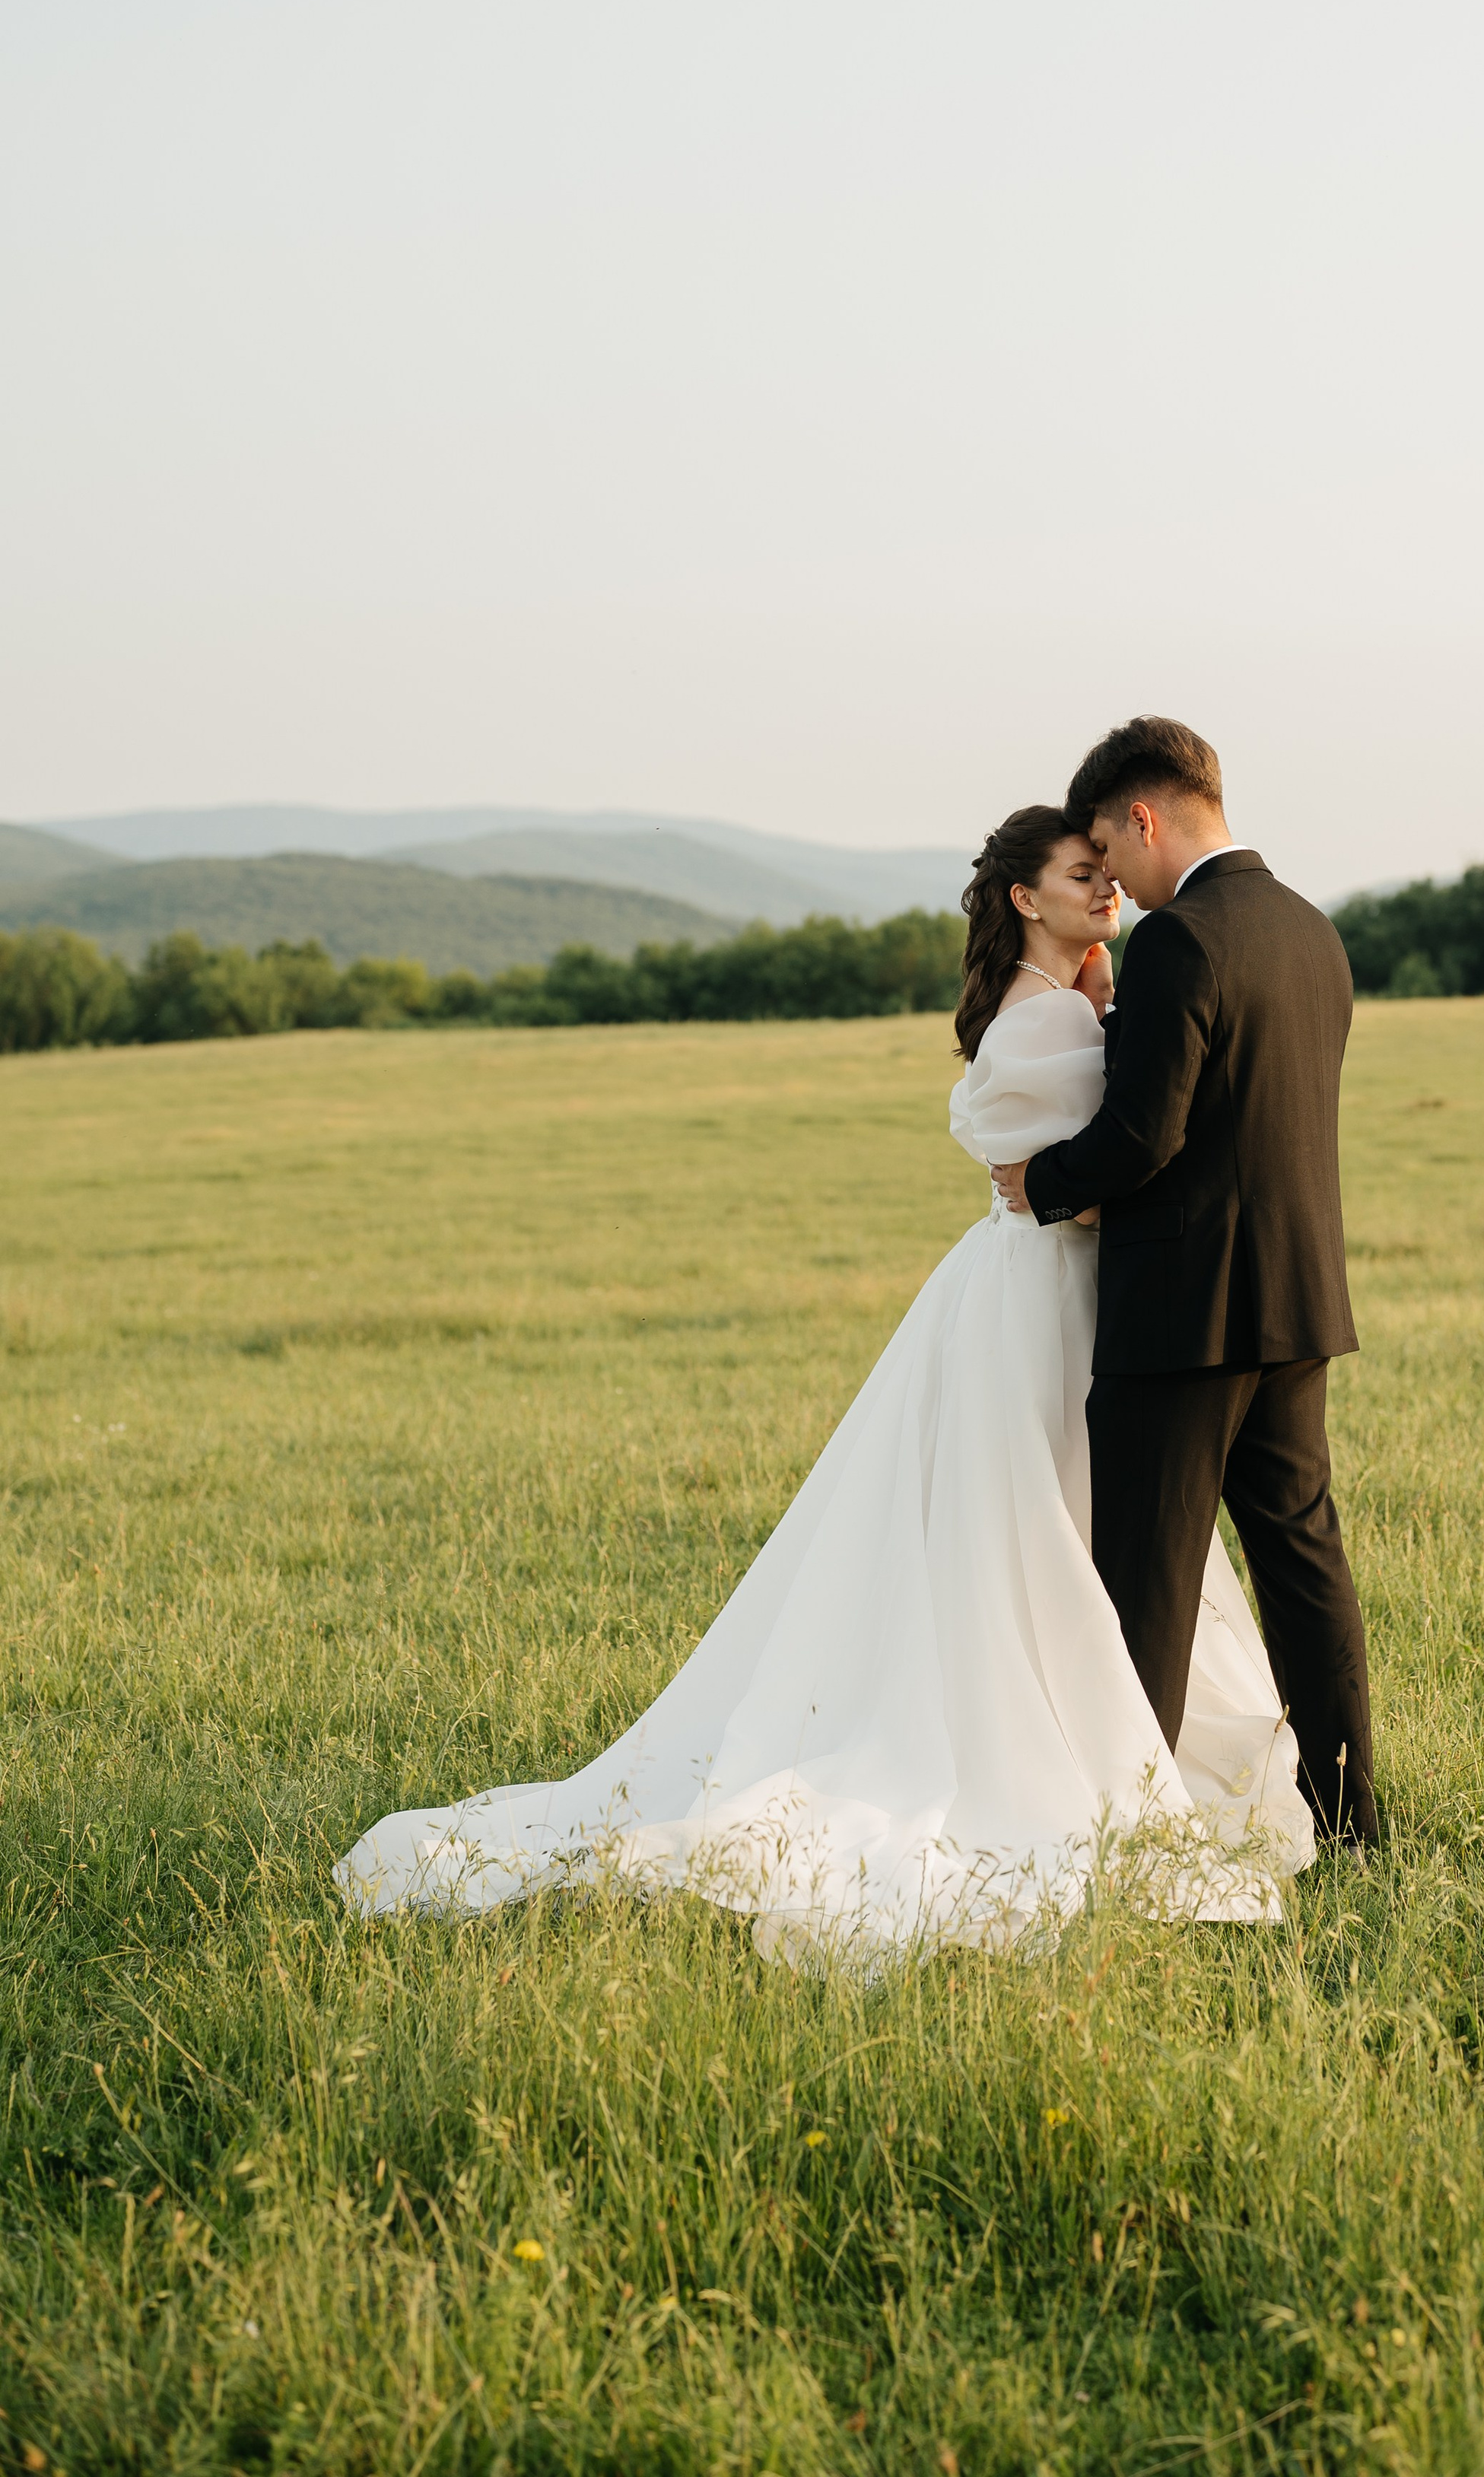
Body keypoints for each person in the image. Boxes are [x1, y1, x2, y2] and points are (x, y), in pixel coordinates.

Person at [335, 804, 1314, 1959]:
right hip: (1052, 1300)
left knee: (1060, 1533)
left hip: (1032, 1291)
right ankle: (1074, 1752)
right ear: (1024, 898)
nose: (1106, 892)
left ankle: (1106, 1733)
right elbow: (1109, 1176)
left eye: (1108, 874)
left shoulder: (1063, 1008)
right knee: (1052, 1533)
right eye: (1081, 875)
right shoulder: (1050, 1025)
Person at [990, 717, 1377, 1847]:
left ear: (1143, 816)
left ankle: (1133, 1838)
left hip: (1181, 1318)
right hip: (1297, 1306)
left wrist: (1041, 1179)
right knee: (1305, 1566)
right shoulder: (1313, 931)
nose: (1112, 877)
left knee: (1143, 1591)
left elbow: (1143, 1137)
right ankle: (1352, 1823)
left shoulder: (1180, 941)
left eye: (1109, 850)